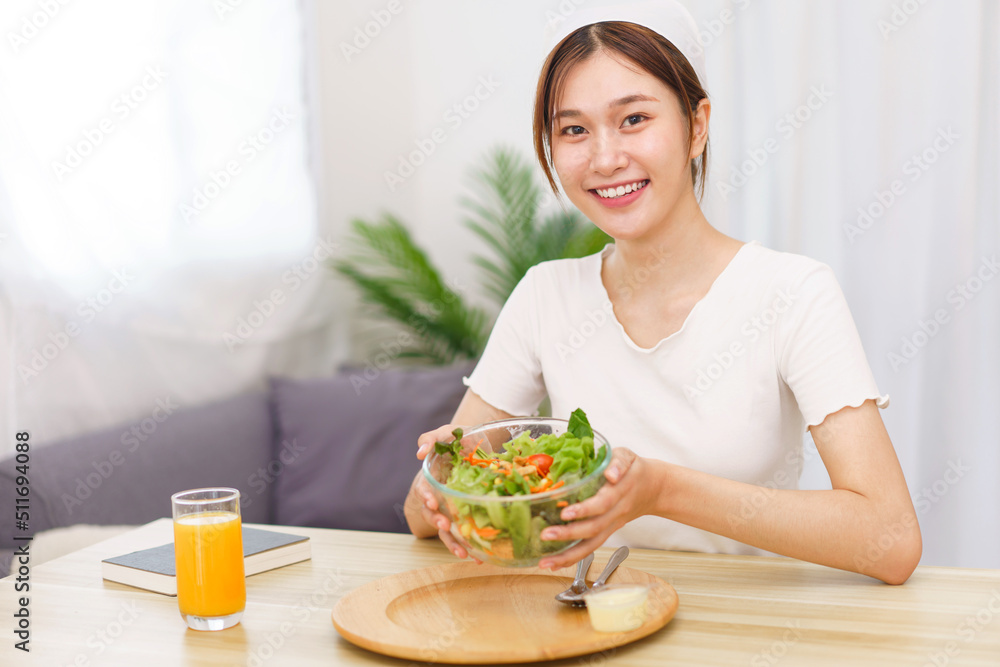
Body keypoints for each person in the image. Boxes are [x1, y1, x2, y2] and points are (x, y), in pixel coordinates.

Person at [403, 2, 921, 585]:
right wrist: (448, 477)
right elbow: (420, 513)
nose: (604, 158)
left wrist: (662, 489)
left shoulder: (793, 293)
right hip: (593, 621)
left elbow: (891, 539)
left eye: (634, 119)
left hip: (745, 633)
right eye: (573, 129)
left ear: (697, 125)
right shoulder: (545, 295)